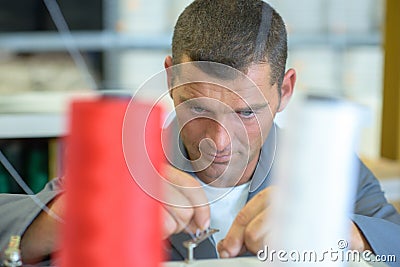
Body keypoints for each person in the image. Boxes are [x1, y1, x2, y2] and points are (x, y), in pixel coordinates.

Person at [0, 0, 399, 265]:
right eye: (198, 108)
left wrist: (345, 235)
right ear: (171, 79)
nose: (219, 141)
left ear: (286, 91)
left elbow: (393, 245)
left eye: (245, 112)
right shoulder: (122, 161)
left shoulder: (326, 170)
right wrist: (55, 224)